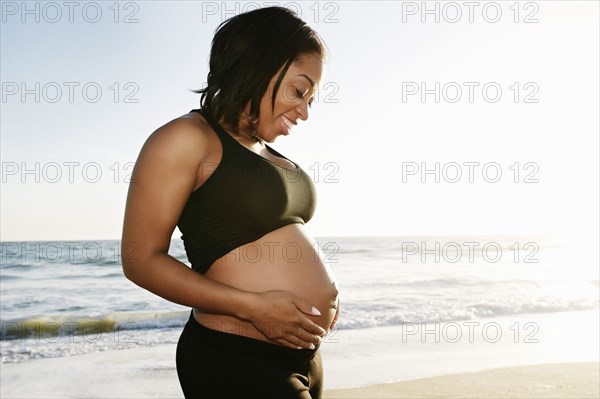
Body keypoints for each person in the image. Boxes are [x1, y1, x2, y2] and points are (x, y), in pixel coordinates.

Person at [120, 6, 340, 399]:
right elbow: (140, 260)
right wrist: (252, 307)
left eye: (312, 99)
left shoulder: (269, 154)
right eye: (298, 91)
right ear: (257, 66)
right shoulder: (185, 139)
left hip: (304, 358)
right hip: (236, 361)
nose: (306, 112)